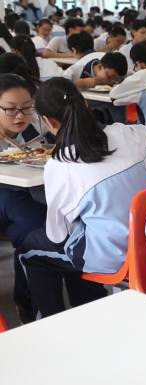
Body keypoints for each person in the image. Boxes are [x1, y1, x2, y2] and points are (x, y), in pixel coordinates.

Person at [17, 77, 146, 318]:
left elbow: (57, 233)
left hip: (116, 255)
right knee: (79, 236)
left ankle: (48, 324)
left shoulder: (60, 163)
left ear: (48, 122)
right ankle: (87, 305)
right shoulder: (124, 133)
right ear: (85, 104)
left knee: (31, 248)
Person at [0, 73, 49, 324]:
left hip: (27, 193)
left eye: (26, 108)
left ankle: (29, 299)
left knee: (34, 229)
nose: (19, 116)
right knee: (35, 225)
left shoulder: (37, 129)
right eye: (10, 109)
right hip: (6, 195)